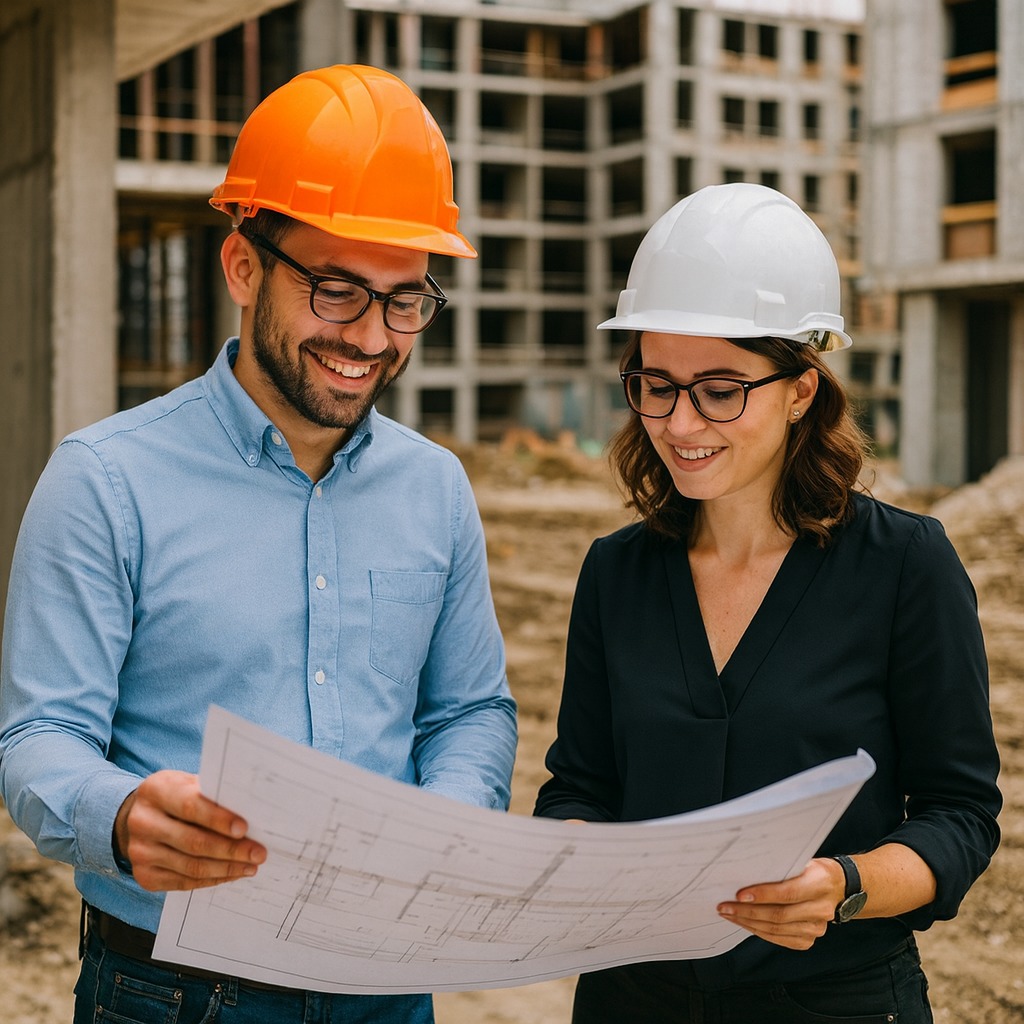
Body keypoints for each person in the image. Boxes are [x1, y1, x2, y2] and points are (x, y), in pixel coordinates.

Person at [0, 64, 517, 1024]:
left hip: (386, 988)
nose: (371, 337)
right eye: (336, 290)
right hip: (172, 990)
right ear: (243, 266)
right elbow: (39, 740)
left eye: (405, 300)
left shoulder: (436, 488)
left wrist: (450, 816)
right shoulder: (105, 480)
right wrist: (117, 816)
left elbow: (469, 711)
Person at [534, 182, 1001, 1023]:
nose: (680, 423)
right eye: (655, 383)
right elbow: (580, 784)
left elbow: (959, 816)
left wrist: (846, 885)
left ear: (800, 390)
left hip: (838, 1003)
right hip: (632, 999)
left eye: (720, 388)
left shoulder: (906, 567)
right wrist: (573, 851)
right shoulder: (617, 573)